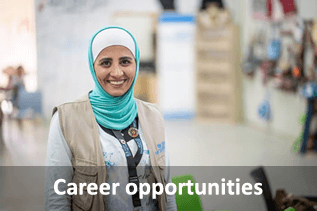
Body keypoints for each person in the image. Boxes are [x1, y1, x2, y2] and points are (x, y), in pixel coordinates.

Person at [45, 26, 177, 211]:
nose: (116, 73)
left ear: (136, 64)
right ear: (93, 66)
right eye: (106, 63)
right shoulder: (66, 120)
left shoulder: (153, 116)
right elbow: (56, 199)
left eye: (125, 61)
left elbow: (166, 191)